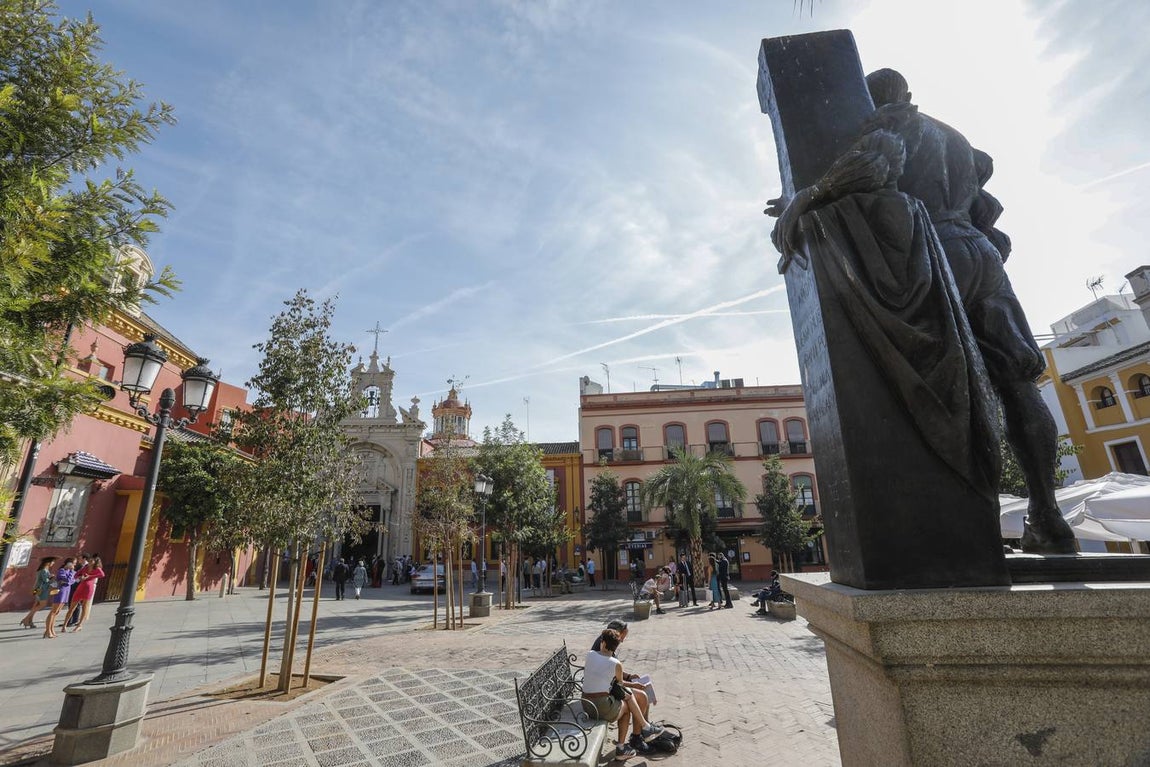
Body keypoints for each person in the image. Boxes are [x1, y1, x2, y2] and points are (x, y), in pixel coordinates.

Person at [860, 68, 1074, 554]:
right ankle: (1048, 513)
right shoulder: (954, 137)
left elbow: (869, 176)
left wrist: (801, 200)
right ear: (909, 92)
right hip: (982, 252)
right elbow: (986, 204)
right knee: (1017, 381)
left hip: (934, 247)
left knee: (939, 381)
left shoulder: (890, 126)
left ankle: (960, 522)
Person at [582, 629, 665, 760]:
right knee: (626, 707)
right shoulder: (616, 664)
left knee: (636, 697)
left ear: (602, 643)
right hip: (600, 706)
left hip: (586, 703)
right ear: (616, 647)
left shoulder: (590, 654)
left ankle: (644, 729)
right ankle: (622, 748)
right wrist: (633, 686)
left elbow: (614, 685)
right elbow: (619, 687)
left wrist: (631, 689)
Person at [63, 555, 105, 632]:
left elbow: (102, 575)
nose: (89, 562)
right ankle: (64, 625)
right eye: (89, 560)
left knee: (84, 607)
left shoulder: (97, 569)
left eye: (91, 560)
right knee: (72, 607)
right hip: (80, 588)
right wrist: (80, 577)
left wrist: (90, 576)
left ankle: (80, 625)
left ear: (95, 562)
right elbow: (76, 575)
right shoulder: (85, 568)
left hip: (89, 589)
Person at [20, 556, 56, 629]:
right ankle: (26, 619)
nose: (53, 563)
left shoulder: (44, 569)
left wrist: (50, 576)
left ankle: (29, 621)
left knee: (36, 605)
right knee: (42, 605)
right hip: (41, 590)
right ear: (48, 562)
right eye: (52, 562)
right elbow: (46, 581)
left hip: (36, 589)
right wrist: (52, 578)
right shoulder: (43, 570)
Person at [43, 557, 76, 638]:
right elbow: (67, 581)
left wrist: (70, 578)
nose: (74, 565)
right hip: (60, 592)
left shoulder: (70, 571)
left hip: (66, 592)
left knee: (57, 612)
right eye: (73, 563)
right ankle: (47, 630)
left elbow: (73, 581)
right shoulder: (62, 571)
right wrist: (71, 573)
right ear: (68, 563)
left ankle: (51, 629)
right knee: (53, 612)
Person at [64, 552, 91, 628]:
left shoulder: (87, 566)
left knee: (76, 603)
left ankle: (74, 620)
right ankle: (70, 620)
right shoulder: (80, 566)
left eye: (80, 558)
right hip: (74, 584)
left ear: (84, 558)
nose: (79, 559)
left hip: (78, 585)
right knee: (72, 602)